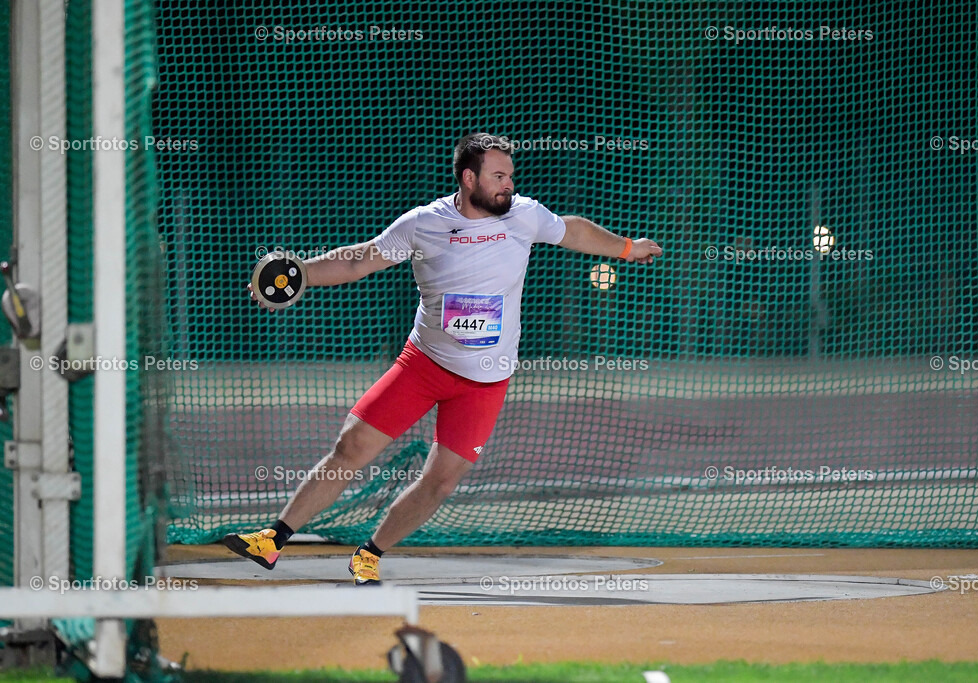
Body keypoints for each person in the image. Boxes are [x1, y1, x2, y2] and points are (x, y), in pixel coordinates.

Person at [224, 132, 662, 584]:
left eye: (510, 175)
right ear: (469, 177)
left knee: (442, 481)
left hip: (486, 381)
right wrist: (301, 276)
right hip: (424, 365)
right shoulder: (424, 223)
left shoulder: (525, 216)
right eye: (498, 176)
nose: (508, 184)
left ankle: (369, 555)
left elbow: (571, 229)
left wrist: (627, 248)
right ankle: (273, 539)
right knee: (352, 446)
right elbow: (360, 260)